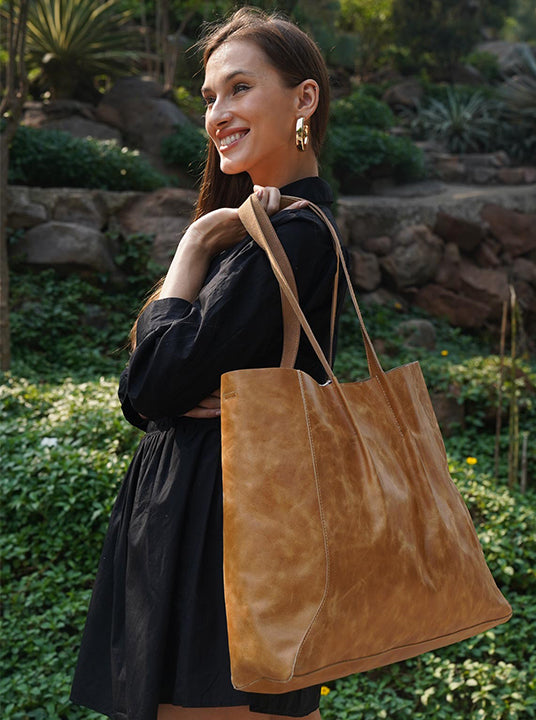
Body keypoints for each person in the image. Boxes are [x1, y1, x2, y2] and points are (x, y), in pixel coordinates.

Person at [71, 7, 347, 720]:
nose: (217, 113)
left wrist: (190, 250)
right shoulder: (258, 230)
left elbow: (151, 387)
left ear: (303, 99)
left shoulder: (289, 236)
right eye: (210, 97)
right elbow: (154, 388)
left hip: (221, 535)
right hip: (209, 525)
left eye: (239, 88)